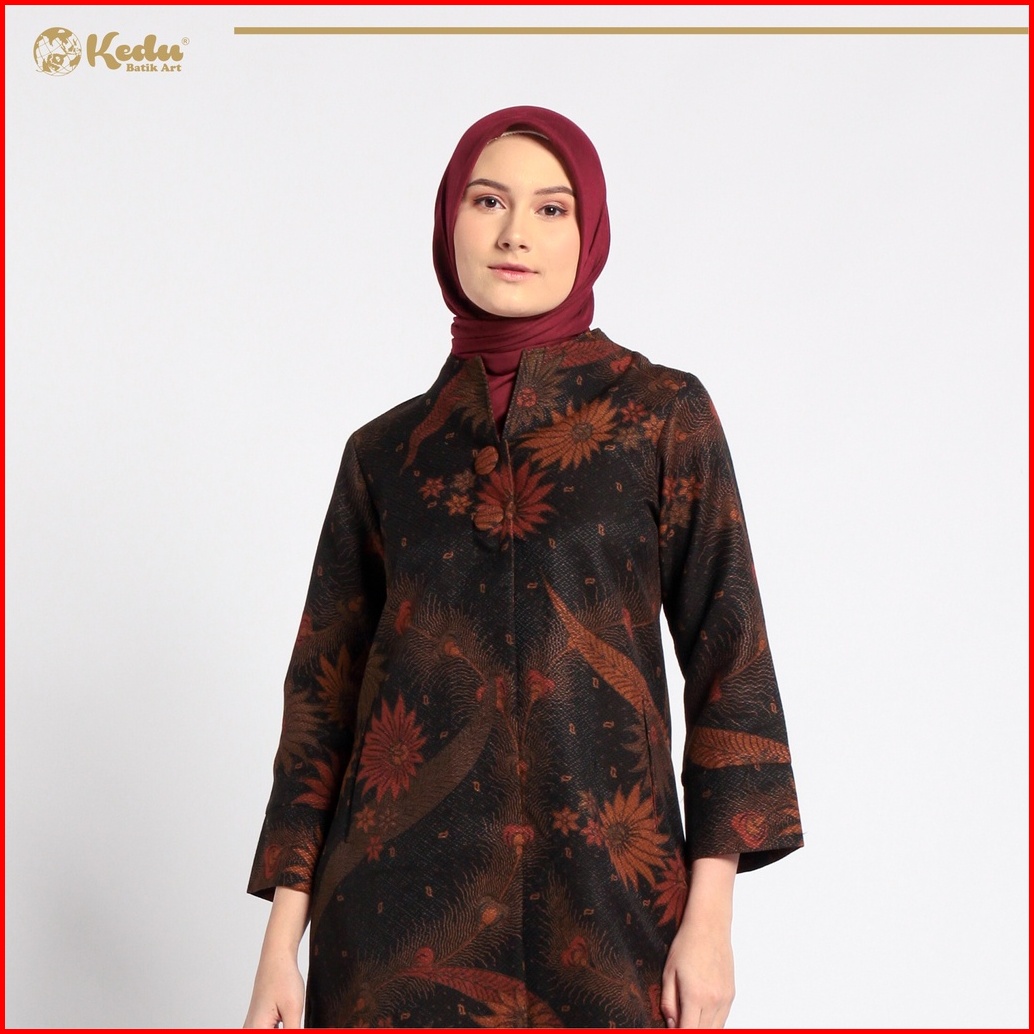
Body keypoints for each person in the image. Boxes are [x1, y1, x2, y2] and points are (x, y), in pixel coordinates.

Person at [244, 105, 803, 1030]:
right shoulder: (384, 454)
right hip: (390, 936)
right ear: (448, 222)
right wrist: (279, 948)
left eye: (551, 208)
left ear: (589, 235)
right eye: (488, 200)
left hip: (611, 908)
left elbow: (731, 663)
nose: (514, 233)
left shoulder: (660, 416)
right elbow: (321, 705)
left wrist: (711, 921)